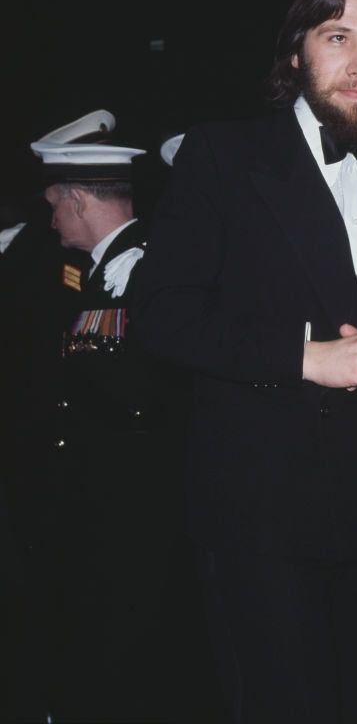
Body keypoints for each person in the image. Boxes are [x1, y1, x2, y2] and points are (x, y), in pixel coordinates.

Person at [133, 0, 357, 724]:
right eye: (337, 36)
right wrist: (306, 356)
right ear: (296, 52)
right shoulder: (222, 157)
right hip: (257, 512)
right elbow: (161, 314)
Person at [11, 110, 187, 722]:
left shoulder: (148, 269)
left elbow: (148, 394)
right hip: (95, 505)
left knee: (131, 665)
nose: (51, 215)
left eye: (56, 202)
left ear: (80, 198)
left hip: (136, 511)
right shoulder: (89, 274)